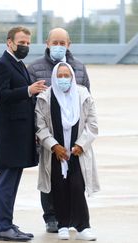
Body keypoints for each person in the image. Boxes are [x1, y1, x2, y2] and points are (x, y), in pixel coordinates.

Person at [27, 28, 91, 233]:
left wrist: (82, 140)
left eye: (62, 43)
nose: (58, 46)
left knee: (74, 178)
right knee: (50, 175)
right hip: (48, 135)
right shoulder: (35, 68)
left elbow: (88, 100)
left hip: (74, 136)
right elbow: (29, 103)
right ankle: (51, 216)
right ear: (47, 43)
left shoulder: (79, 68)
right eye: (55, 42)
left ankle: (73, 217)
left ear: (69, 44)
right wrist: (40, 136)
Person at [0, 26, 47, 242]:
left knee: (13, 181)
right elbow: (2, 96)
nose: (25, 46)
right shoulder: (1, 65)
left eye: (27, 43)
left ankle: (8, 223)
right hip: (10, 134)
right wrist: (28, 90)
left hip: (21, 132)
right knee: (7, 181)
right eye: (21, 42)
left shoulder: (18, 64)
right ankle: (3, 226)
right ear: (9, 42)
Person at [35, 62, 99, 241]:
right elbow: (40, 126)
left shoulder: (83, 95)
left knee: (77, 186)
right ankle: (62, 225)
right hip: (56, 152)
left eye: (66, 75)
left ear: (72, 76)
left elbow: (92, 125)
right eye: (60, 76)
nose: (63, 79)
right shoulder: (45, 97)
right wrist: (54, 146)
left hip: (78, 151)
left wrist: (81, 145)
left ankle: (83, 227)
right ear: (54, 77)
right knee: (59, 188)